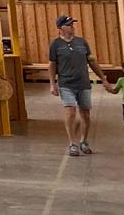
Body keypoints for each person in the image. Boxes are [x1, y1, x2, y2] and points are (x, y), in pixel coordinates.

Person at [47, 14, 111, 156]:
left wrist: (103, 78)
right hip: (66, 84)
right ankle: (72, 143)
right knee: (70, 112)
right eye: (68, 24)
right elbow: (52, 65)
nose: (72, 27)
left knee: (85, 114)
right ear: (60, 28)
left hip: (83, 83)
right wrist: (52, 83)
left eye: (72, 24)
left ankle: (84, 140)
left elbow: (92, 61)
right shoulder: (55, 44)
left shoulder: (82, 42)